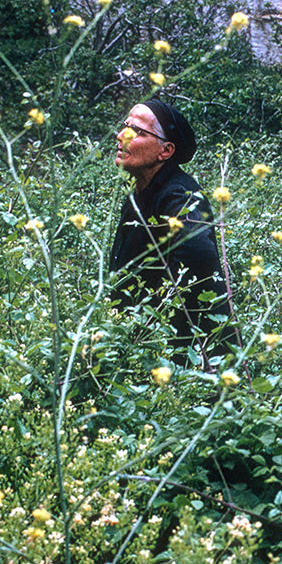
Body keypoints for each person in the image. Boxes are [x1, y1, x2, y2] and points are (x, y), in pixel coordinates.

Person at [109, 99, 231, 365]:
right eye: (125, 126)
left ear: (165, 151)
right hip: (143, 346)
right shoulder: (140, 189)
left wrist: (157, 313)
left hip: (191, 357)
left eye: (137, 131)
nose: (121, 135)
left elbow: (200, 253)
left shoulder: (179, 195)